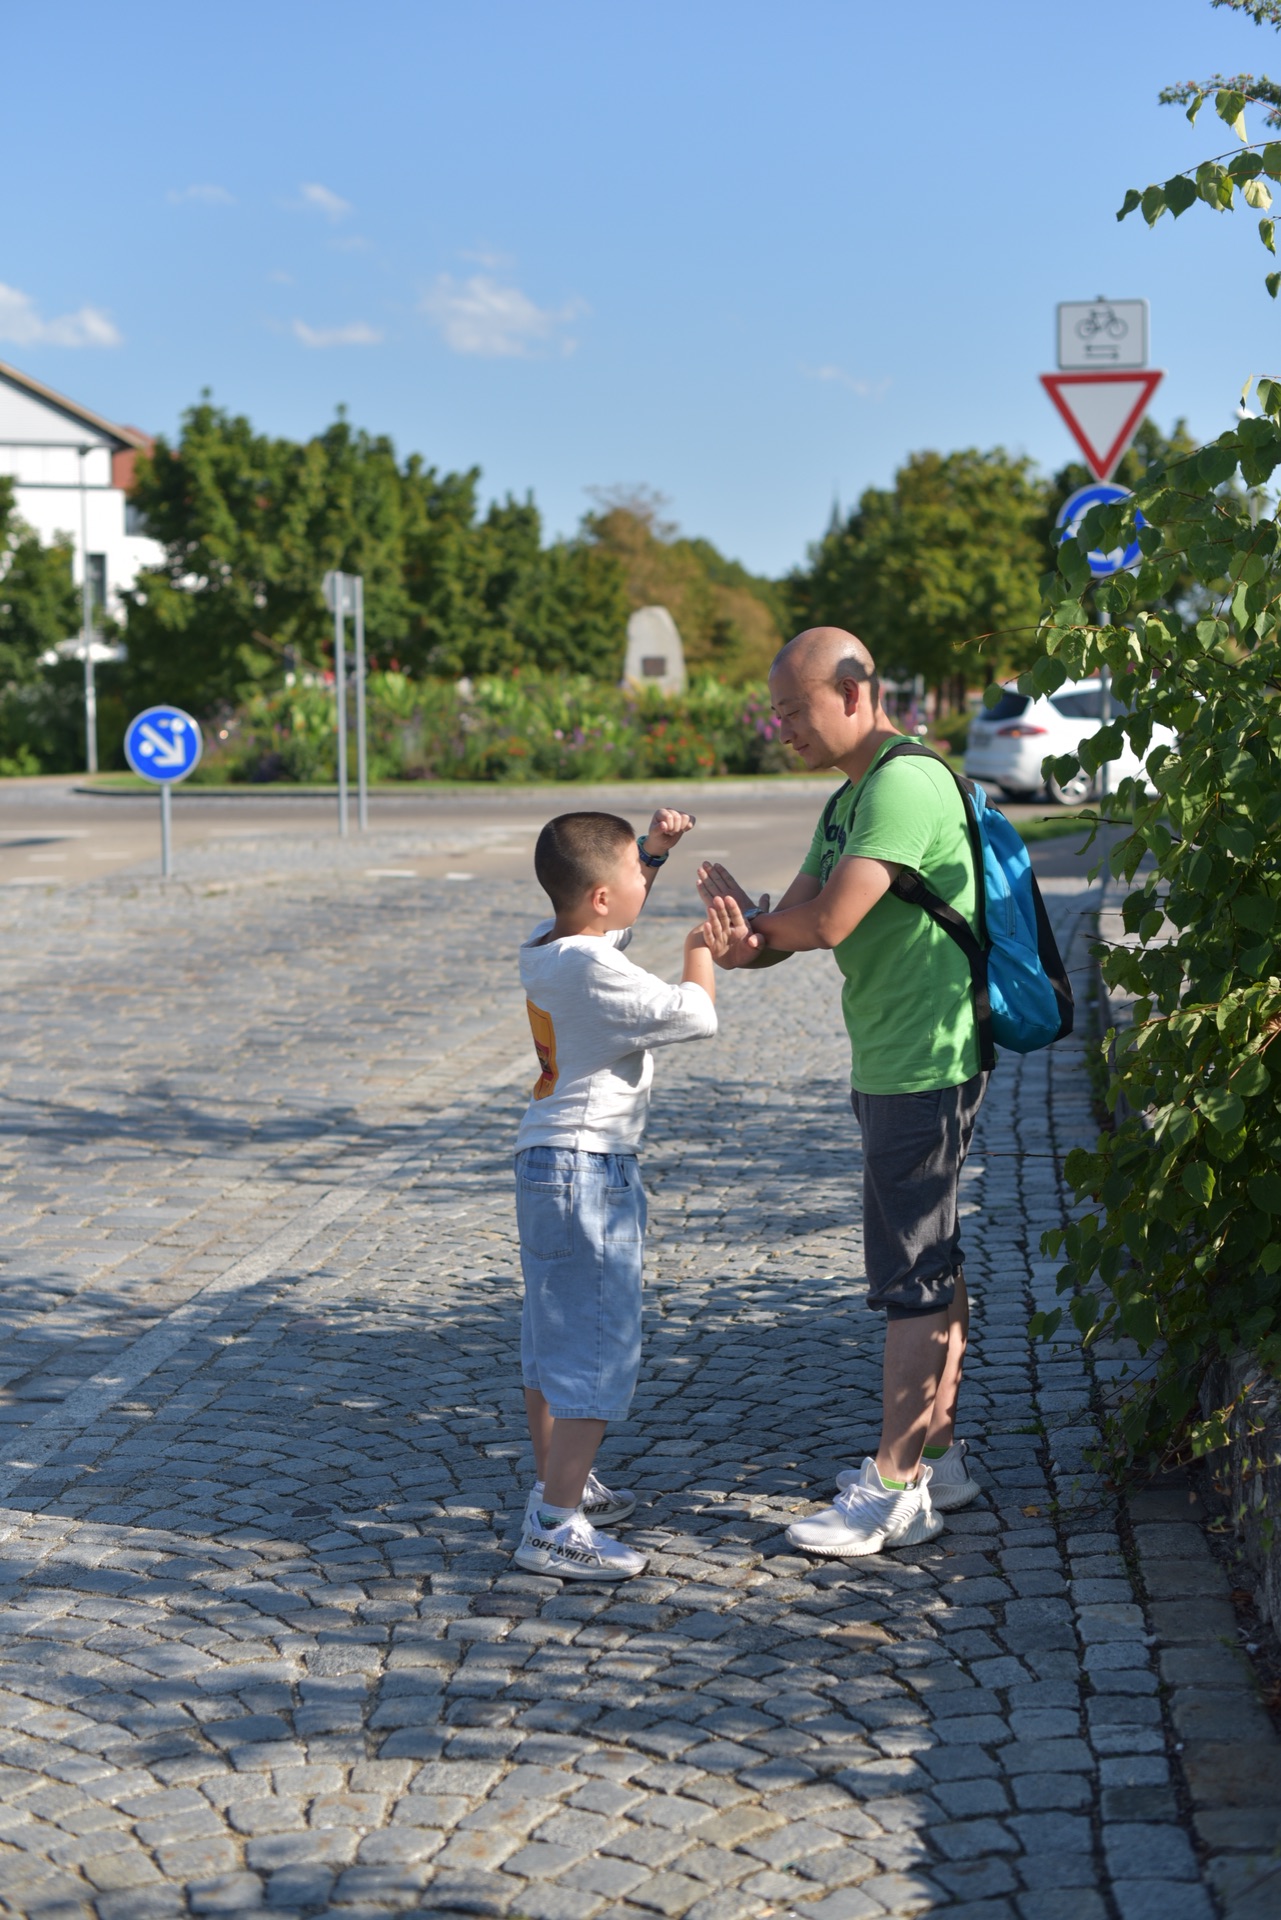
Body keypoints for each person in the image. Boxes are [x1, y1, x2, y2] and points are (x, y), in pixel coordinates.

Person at [697, 627, 985, 1558]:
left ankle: (894, 1490)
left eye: (793, 710)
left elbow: (826, 919)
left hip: (926, 1060)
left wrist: (779, 926)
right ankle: (938, 1454)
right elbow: (787, 928)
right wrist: (745, 933)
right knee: (930, 1249)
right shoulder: (847, 798)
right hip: (893, 1056)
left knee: (911, 1270)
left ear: (855, 693)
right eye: (774, 712)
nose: (779, 727)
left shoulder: (902, 784)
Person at [513, 807, 730, 1581]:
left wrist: (653, 852)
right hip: (586, 1170)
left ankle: (559, 1486)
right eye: (636, 874)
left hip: (544, 1160)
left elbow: (604, 931)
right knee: (596, 1349)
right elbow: (695, 1015)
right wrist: (699, 949)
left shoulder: (545, 948)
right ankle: (552, 1524)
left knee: (550, 1343)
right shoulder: (591, 969)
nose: (644, 879)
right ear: (602, 897)